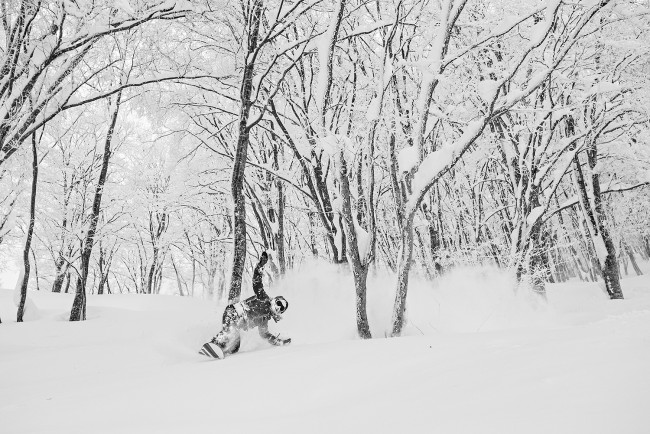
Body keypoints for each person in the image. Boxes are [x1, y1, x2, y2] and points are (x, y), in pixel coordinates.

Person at [210, 252, 291, 356]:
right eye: (279, 304)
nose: (278, 307)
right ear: (275, 300)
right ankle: (215, 344)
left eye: (281, 309)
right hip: (234, 312)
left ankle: (220, 352)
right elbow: (257, 282)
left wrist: (279, 342)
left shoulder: (265, 319)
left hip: (237, 321)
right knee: (231, 333)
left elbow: (264, 334)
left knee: (234, 347)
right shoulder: (264, 298)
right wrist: (260, 265)